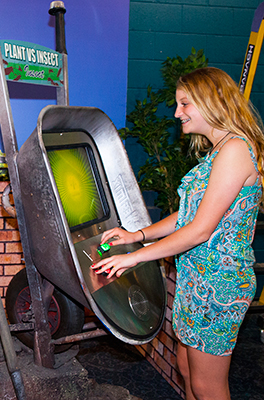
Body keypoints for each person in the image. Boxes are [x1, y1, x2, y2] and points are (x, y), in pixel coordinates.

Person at [92, 67, 264, 400]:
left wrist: (134, 259)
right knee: (186, 369)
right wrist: (136, 235)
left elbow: (199, 230)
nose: (176, 113)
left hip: (219, 283)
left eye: (185, 103)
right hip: (196, 279)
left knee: (207, 385)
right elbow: (188, 216)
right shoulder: (216, 152)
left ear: (211, 101)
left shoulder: (235, 151)